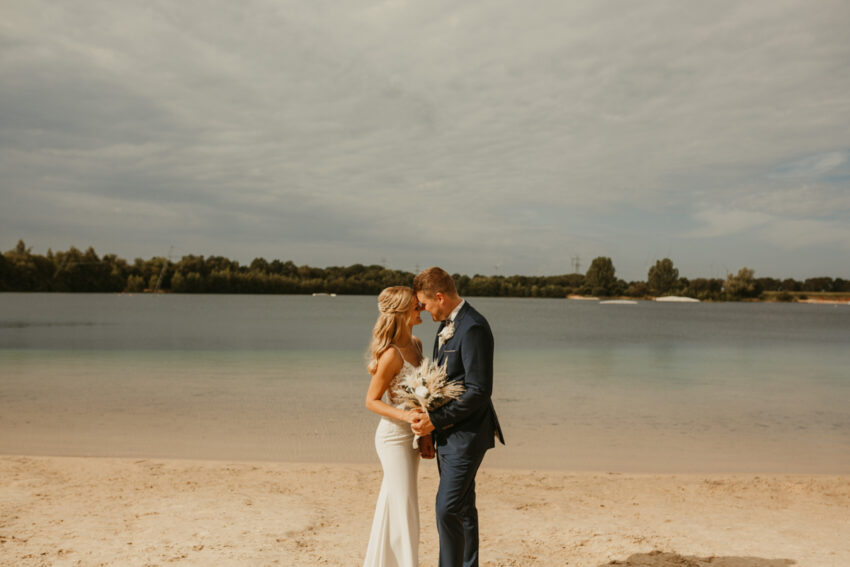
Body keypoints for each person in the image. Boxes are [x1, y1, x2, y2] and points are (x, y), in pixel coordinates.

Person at [411, 267, 505, 567]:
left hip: (467, 435)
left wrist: (435, 421)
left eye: (425, 304)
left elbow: (479, 390)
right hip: (448, 435)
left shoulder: (473, 327)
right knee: (462, 509)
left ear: (440, 297)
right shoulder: (447, 324)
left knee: (446, 509)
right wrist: (431, 429)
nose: (424, 310)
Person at [362, 286, 427, 567]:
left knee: (393, 503)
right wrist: (406, 417)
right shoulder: (391, 354)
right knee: (405, 506)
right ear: (401, 312)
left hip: (413, 437)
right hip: (393, 438)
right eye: (416, 305)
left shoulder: (416, 344)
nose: (422, 308)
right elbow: (371, 400)